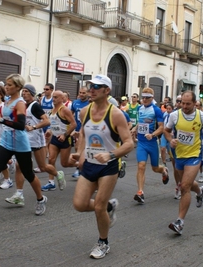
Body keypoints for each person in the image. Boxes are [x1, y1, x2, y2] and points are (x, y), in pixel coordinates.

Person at [71, 74, 133, 259]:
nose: (91, 89)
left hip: (108, 166)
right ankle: (108, 207)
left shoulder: (116, 114)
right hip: (89, 164)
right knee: (79, 204)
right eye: (91, 86)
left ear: (107, 91)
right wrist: (81, 152)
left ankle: (103, 242)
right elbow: (83, 133)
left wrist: (110, 154)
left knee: (98, 206)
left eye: (96, 87)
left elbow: (129, 143)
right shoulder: (85, 111)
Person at [0, 74, 47, 221]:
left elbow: (20, 125)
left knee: (28, 174)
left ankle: (40, 199)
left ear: (18, 87)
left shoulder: (19, 103)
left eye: (10, 85)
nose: (6, 87)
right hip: (6, 142)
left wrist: (0, 119)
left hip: (20, 144)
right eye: (6, 84)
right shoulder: (7, 100)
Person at [164, 91, 203, 235]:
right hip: (179, 154)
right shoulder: (175, 115)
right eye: (182, 103)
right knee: (189, 183)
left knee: (184, 186)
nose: (184, 106)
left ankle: (179, 221)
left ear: (194, 103)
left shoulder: (202, 116)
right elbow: (166, 130)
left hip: (194, 154)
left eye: (188, 104)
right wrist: (170, 140)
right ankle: (200, 191)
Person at [5, 84, 60, 208]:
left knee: (43, 166)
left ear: (32, 93)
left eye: (26, 91)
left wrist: (33, 127)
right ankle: (19, 194)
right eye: (23, 91)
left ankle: (58, 174)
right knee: (19, 166)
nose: (24, 93)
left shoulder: (35, 106)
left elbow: (47, 121)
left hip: (36, 140)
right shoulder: (21, 105)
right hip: (24, 140)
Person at [131, 87, 168, 204]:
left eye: (147, 98)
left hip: (152, 143)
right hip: (142, 142)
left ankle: (163, 170)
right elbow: (140, 122)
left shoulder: (156, 110)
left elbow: (162, 127)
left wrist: (152, 134)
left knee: (155, 168)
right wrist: (135, 128)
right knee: (141, 166)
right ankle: (140, 192)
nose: (145, 100)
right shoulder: (139, 108)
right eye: (143, 97)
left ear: (152, 98)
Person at [41, 90, 76, 191]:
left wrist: (65, 135)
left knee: (65, 163)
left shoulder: (65, 110)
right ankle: (51, 183)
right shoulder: (53, 110)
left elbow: (74, 124)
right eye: (53, 97)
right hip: (55, 139)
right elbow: (54, 124)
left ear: (62, 99)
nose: (54, 99)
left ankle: (80, 165)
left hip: (65, 139)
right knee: (51, 159)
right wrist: (49, 131)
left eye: (56, 97)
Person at [70, 86, 90, 178]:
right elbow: (71, 115)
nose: (81, 94)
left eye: (84, 93)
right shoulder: (75, 103)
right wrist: (72, 127)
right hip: (77, 130)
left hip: (87, 129)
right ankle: (80, 168)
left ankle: (81, 168)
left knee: (81, 148)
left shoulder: (90, 103)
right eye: (80, 92)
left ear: (88, 93)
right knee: (77, 149)